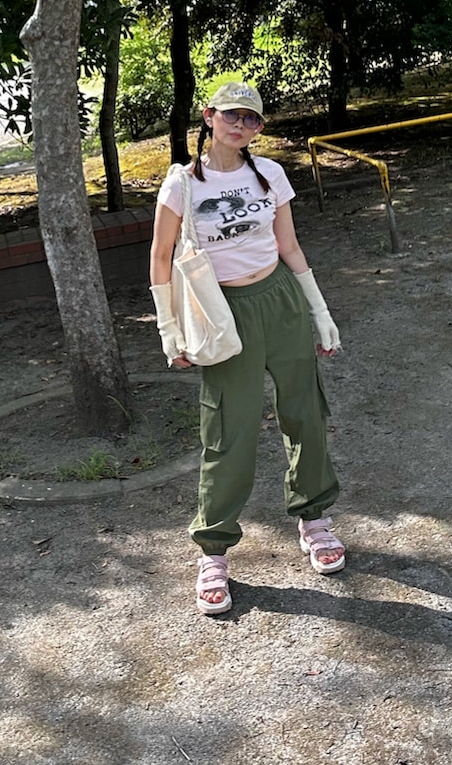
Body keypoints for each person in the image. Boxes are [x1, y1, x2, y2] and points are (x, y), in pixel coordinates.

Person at [149, 80, 344, 616]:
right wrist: (170, 332)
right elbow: (161, 258)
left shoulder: (271, 176)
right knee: (228, 429)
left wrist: (320, 313)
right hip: (221, 315)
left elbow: (289, 246)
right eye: (231, 115)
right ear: (209, 117)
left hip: (279, 300)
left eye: (252, 119)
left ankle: (314, 517)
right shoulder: (182, 185)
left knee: (305, 413)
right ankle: (213, 551)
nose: (241, 126)